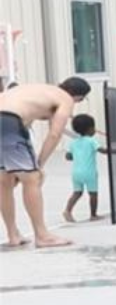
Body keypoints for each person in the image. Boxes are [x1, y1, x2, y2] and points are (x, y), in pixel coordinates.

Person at [0, 77, 90, 248]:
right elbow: (55, 134)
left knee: (4, 181)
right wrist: (38, 165)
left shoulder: (39, 89)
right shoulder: (65, 99)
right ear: (78, 97)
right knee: (32, 179)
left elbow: (24, 123)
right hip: (8, 121)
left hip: (6, 119)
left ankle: (13, 235)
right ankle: (42, 236)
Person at [62, 114, 109, 222]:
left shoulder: (73, 142)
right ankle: (93, 215)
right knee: (93, 194)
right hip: (90, 173)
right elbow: (102, 151)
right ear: (90, 129)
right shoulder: (91, 141)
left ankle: (67, 211)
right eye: (94, 127)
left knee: (77, 193)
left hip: (76, 173)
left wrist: (77, 156)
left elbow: (68, 157)